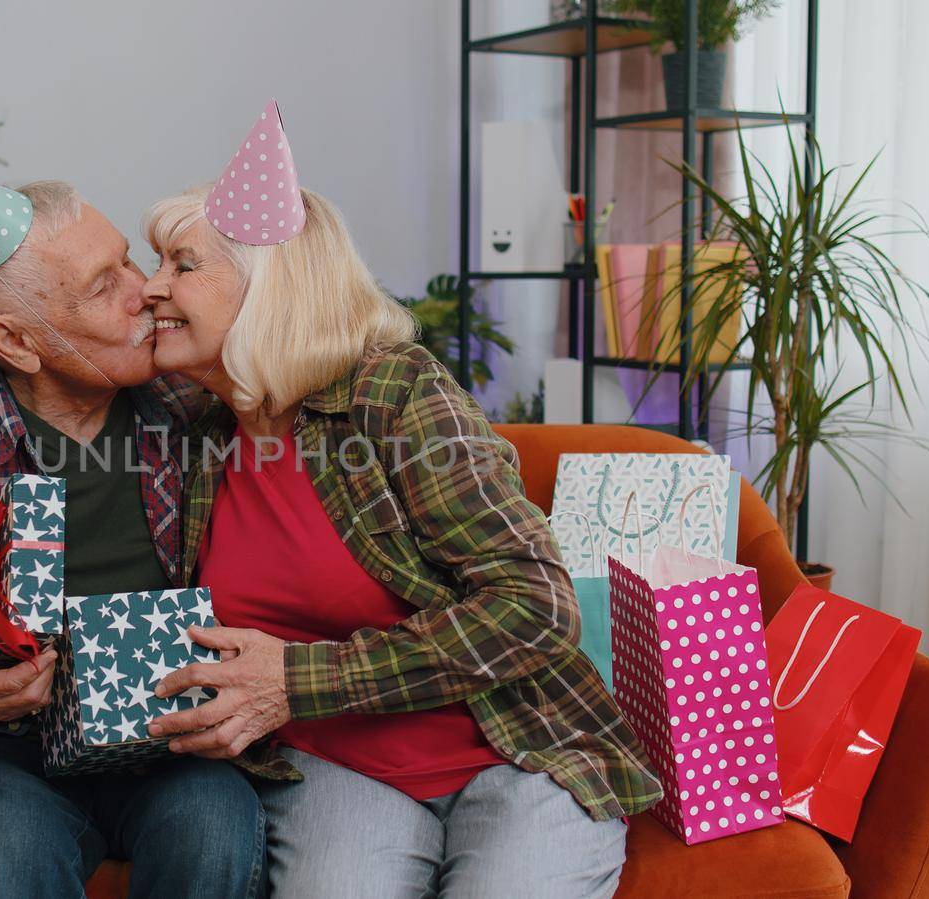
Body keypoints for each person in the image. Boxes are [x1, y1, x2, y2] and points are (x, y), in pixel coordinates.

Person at [141, 102, 662, 898]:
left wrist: (298, 680)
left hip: (512, 751)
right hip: (337, 769)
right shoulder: (205, 430)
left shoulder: (395, 394)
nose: (152, 288)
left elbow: (536, 608)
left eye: (181, 264)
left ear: (268, 289)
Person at [0, 154, 263, 899]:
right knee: (0, 840)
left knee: (215, 823)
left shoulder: (196, 399)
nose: (147, 290)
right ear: (18, 341)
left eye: (128, 258)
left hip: (164, 737)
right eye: (106, 286)